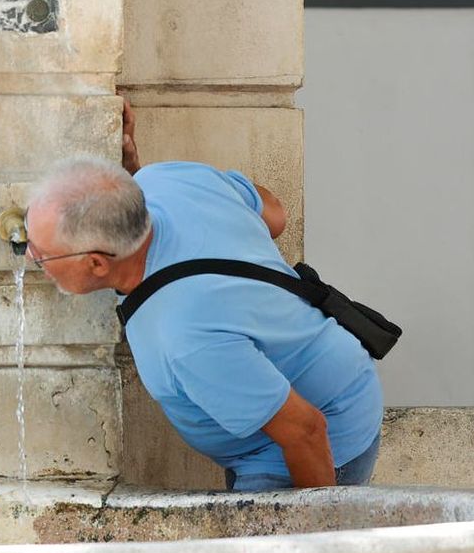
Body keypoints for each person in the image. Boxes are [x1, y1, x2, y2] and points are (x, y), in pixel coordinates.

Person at [22, 102, 383, 491]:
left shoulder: (183, 335)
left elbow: (305, 430)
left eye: (42, 254)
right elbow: (275, 216)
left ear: (96, 263)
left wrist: (314, 541)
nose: (29, 255)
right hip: (316, 393)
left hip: (312, 442)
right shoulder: (167, 180)